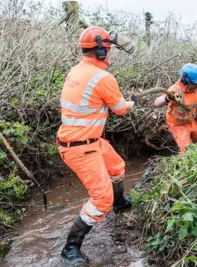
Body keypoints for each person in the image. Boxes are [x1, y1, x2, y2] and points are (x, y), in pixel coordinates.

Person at [56, 26, 136, 264]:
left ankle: (120, 204)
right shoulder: (103, 77)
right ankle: (71, 248)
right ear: (101, 53)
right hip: (80, 147)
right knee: (101, 199)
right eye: (109, 51)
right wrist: (132, 102)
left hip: (88, 140)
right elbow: (121, 109)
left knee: (117, 167)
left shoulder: (78, 69)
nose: (110, 55)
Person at [153, 63, 197, 154]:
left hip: (191, 121)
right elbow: (156, 103)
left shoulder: (195, 84)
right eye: (195, 84)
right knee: (187, 151)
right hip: (178, 125)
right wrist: (167, 99)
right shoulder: (176, 90)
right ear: (186, 81)